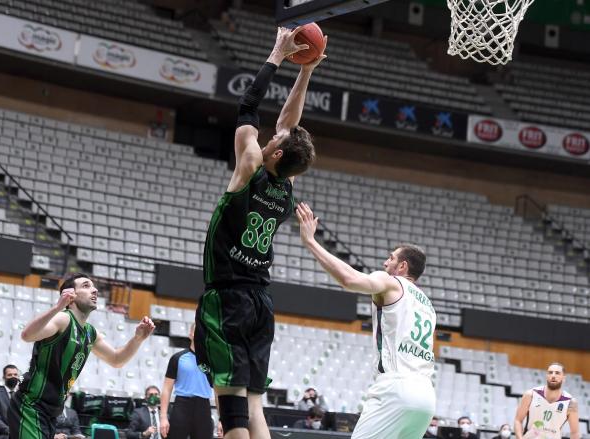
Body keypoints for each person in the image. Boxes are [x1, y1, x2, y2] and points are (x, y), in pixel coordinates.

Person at [194, 26, 324, 439]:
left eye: (277, 138)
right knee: (253, 404)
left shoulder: (249, 167)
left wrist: (277, 55)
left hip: (229, 296)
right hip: (261, 303)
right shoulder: (285, 191)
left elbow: (248, 107)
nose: (274, 132)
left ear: (277, 151)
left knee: (231, 409)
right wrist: (307, 70)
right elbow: (289, 123)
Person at [296, 203, 436, 439]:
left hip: (396, 387)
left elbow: (348, 279)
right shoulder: (428, 306)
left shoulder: (391, 281)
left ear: (402, 266)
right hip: (426, 396)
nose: (385, 263)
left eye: (390, 258)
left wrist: (310, 242)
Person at [8, 273, 156, 439]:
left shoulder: (91, 333)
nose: (94, 291)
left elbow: (116, 360)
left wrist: (138, 339)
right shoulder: (62, 319)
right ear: (70, 295)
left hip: (52, 411)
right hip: (31, 404)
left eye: (94, 286)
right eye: (86, 286)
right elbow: (27, 335)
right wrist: (57, 307)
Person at [160, 324, 221, 439]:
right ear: (190, 334)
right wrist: (163, 417)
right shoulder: (177, 358)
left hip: (203, 408)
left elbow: (218, 392)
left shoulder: (213, 362)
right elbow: (167, 389)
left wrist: (222, 419)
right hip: (181, 407)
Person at [514, 363, 580, 439]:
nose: (553, 375)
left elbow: (575, 433)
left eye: (557, 373)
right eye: (550, 372)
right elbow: (518, 420)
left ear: (563, 378)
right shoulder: (531, 394)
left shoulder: (570, 402)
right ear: (546, 376)